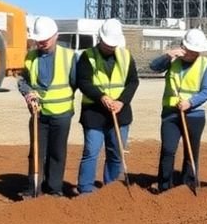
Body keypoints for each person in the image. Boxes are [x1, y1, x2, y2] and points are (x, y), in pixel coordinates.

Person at [74, 18, 139, 195]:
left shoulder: (126, 56)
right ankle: (85, 188)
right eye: (106, 44)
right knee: (91, 151)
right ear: (100, 38)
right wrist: (100, 96)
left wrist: (121, 101)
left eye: (112, 44)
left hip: (120, 113)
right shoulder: (88, 56)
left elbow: (133, 82)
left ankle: (110, 189)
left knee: (116, 152)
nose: (109, 47)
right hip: (94, 113)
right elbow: (83, 81)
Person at [150, 28, 207, 193]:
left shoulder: (206, 65)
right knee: (168, 149)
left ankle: (188, 185)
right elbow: (153, 66)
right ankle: (164, 185)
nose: (192, 55)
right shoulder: (173, 60)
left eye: (195, 52)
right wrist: (168, 55)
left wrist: (190, 103)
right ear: (183, 47)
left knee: (191, 151)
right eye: (190, 51)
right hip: (171, 113)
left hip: (194, 115)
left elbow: (206, 91)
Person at [18, 16, 76, 197]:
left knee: (57, 153)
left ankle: (54, 189)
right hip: (38, 114)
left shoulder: (69, 56)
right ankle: (33, 188)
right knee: (36, 152)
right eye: (39, 40)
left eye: (45, 39)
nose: (41, 42)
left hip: (62, 113)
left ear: (56, 36)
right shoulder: (30, 57)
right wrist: (28, 93)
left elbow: (74, 82)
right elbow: (23, 81)